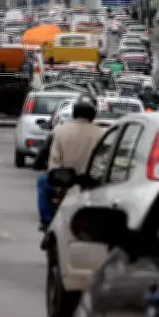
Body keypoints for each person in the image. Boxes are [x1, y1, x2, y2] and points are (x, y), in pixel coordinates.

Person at [37, 98, 104, 230]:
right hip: (90, 181)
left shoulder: (61, 131)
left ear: (74, 113)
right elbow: (102, 161)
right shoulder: (100, 133)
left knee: (42, 182)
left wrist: (57, 183)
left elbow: (54, 161)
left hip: (64, 179)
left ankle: (47, 221)